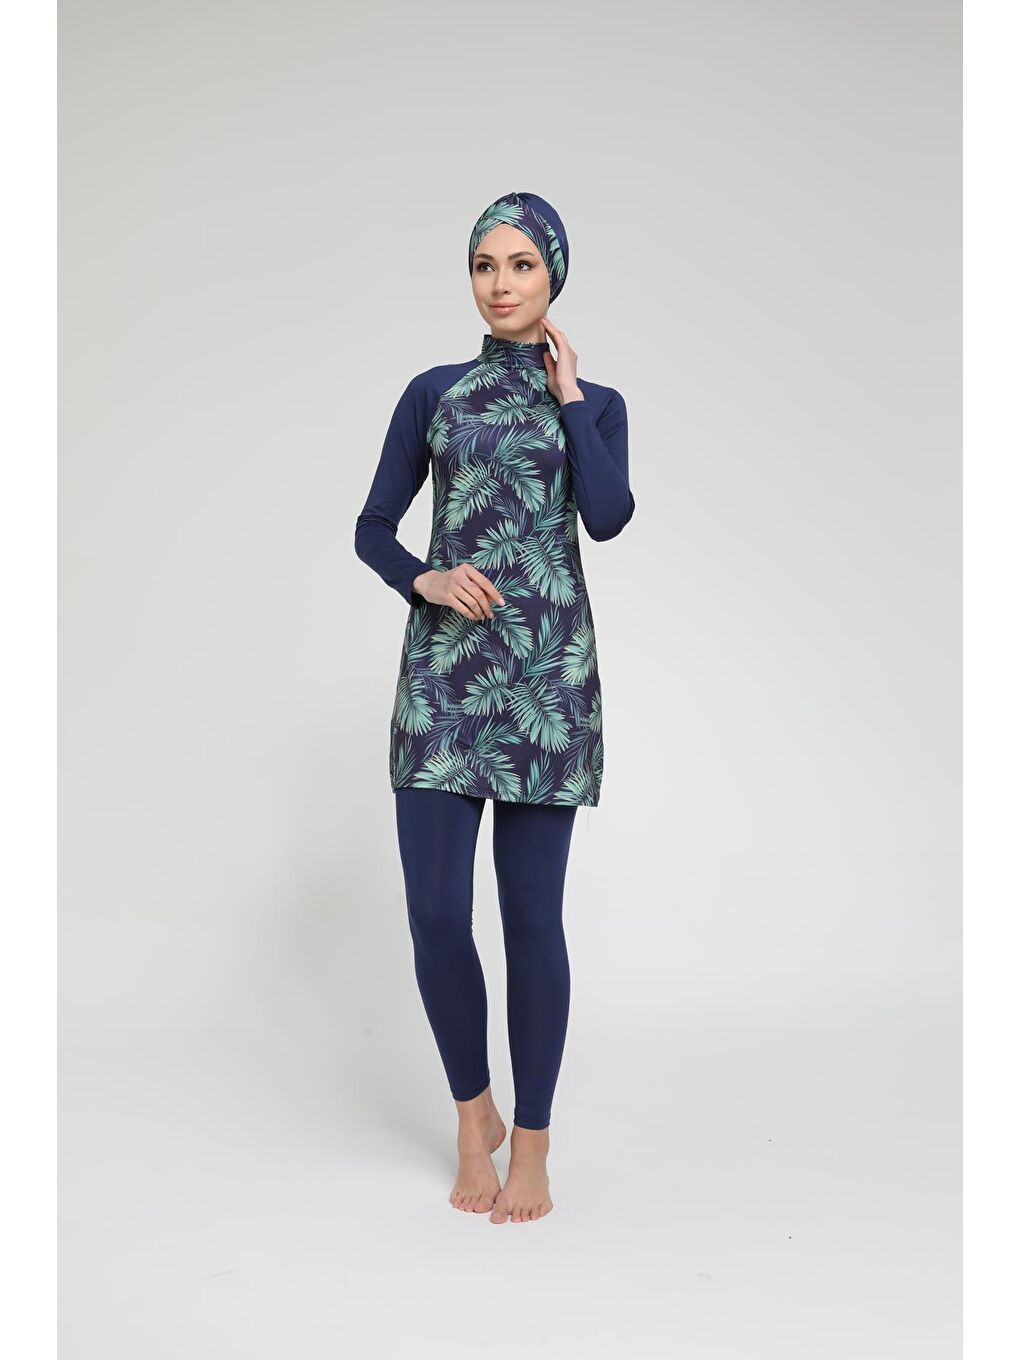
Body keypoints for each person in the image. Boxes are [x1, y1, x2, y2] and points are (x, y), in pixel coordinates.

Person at [354, 190, 635, 1223]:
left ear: (554, 274)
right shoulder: (432, 392)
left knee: (530, 921)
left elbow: (608, 515)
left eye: (521, 264)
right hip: (442, 680)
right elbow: (373, 526)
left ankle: (535, 1145)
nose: (501, 283)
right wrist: (424, 578)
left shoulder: (596, 403)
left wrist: (569, 397)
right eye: (485, 265)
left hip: (546, 680)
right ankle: (475, 1113)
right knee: (436, 913)